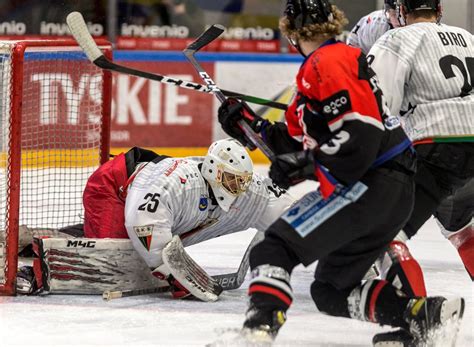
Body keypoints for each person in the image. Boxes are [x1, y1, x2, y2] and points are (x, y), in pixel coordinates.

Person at [217, 0, 464, 345]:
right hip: (389, 183)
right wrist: (247, 124)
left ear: (290, 30)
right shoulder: (321, 67)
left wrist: (308, 164)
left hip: (372, 182)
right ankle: (422, 317)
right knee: (331, 289)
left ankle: (256, 333)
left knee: (272, 249)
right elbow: (291, 142)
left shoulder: (329, 60)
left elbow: (360, 138)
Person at [83, 138, 294, 298]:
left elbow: (286, 210)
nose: (239, 188)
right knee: (114, 262)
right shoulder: (177, 185)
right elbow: (143, 222)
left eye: (242, 181)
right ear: (214, 170)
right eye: (232, 180)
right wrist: (170, 272)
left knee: (140, 253)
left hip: (144, 202)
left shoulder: (246, 192)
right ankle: (74, 237)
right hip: (112, 187)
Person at [368, 0, 474, 285]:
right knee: (461, 229)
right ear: (439, 10)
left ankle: (416, 315)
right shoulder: (468, 38)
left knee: (381, 232)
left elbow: (377, 107)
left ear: (402, 10)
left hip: (440, 146)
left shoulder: (394, 39)